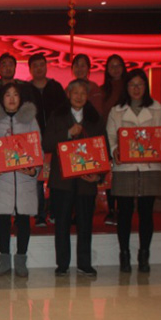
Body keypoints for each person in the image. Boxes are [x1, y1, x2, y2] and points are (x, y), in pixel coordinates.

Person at [107, 68, 161, 273]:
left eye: (140, 84)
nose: (136, 89)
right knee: (124, 213)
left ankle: (144, 255)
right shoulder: (116, 110)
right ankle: (124, 255)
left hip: (149, 168)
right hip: (125, 168)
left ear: (146, 86)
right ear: (126, 87)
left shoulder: (156, 109)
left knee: (146, 213)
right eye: (132, 85)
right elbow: (111, 137)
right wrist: (115, 150)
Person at [43, 79, 107, 278]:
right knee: (61, 223)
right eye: (75, 92)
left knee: (85, 223)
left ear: (88, 96)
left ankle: (84, 264)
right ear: (68, 94)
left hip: (86, 181)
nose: (79, 96)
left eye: (83, 93)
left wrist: (99, 175)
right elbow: (46, 143)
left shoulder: (95, 118)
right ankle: (62, 264)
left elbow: (103, 148)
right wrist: (67, 133)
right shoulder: (57, 115)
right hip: (62, 180)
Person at [0, 83, 40, 278]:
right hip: (2, 178)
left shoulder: (30, 121)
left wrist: (34, 169)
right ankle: (4, 261)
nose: (11, 98)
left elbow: (38, 147)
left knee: (23, 219)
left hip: (24, 178)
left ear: (21, 98)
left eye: (15, 95)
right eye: (7, 95)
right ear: (2, 99)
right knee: (2, 220)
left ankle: (21, 260)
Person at [28, 53, 67, 227]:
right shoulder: (26, 89)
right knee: (37, 178)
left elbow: (64, 112)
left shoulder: (56, 87)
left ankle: (54, 212)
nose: (38, 68)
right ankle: (39, 214)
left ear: (46, 66)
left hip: (55, 138)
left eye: (41, 65)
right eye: (35, 65)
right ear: (30, 69)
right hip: (34, 140)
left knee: (56, 177)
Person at [100, 54, 128, 226]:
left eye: (118, 66)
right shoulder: (103, 90)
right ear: (107, 70)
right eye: (112, 66)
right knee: (110, 173)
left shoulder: (130, 88)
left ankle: (124, 209)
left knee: (124, 173)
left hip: (127, 137)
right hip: (108, 135)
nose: (115, 69)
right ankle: (111, 210)